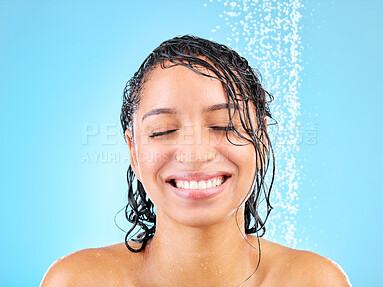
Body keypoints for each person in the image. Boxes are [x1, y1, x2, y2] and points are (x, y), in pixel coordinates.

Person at [40, 35, 351, 287]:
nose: (194, 153)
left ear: (261, 140)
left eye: (225, 126)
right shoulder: (79, 281)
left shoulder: (313, 281)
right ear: (133, 149)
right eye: (163, 131)